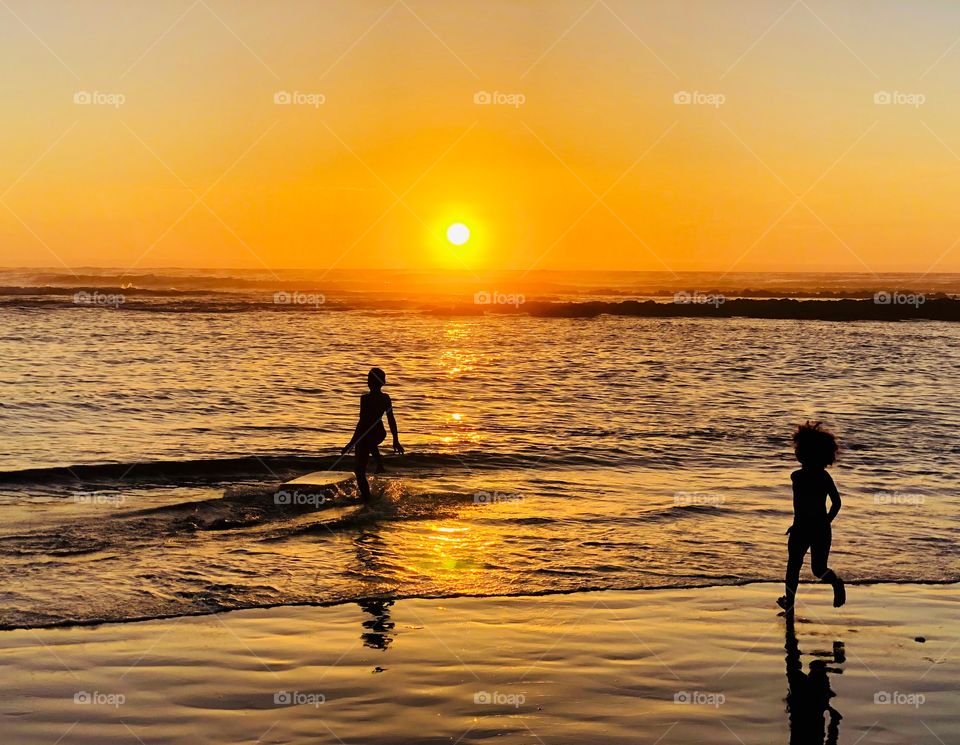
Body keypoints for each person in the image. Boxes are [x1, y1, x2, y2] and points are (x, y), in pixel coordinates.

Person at [777, 421, 846, 613]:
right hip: (815, 528)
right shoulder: (822, 476)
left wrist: (814, 523)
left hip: (803, 528)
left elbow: (802, 506)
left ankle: (790, 603)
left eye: (799, 449)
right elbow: (836, 504)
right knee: (818, 569)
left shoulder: (797, 476)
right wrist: (824, 522)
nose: (797, 452)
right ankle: (834, 583)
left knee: (794, 567)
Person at [341, 367, 404, 499]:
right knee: (359, 468)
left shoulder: (373, 399)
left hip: (374, 433)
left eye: (370, 379)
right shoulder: (379, 398)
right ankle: (369, 489)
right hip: (369, 433)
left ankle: (367, 498)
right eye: (368, 379)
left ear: (377, 382)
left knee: (360, 468)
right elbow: (364, 422)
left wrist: (396, 440)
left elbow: (390, 419)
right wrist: (352, 443)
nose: (368, 382)